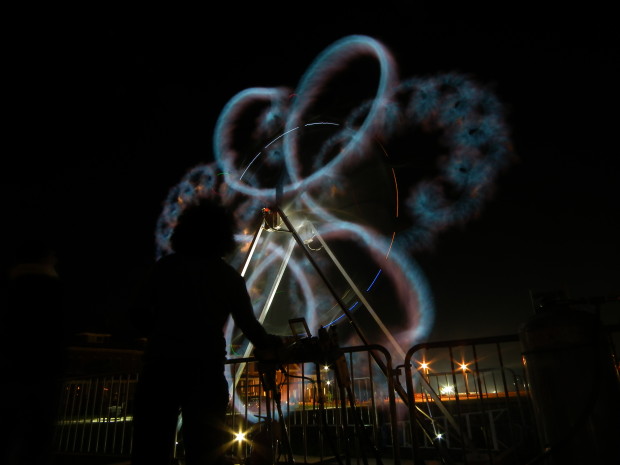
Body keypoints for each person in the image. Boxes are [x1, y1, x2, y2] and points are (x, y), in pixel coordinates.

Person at [130, 198, 282, 465]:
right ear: (222, 236)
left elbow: (139, 317)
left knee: (151, 447)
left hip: (160, 366)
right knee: (205, 450)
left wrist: (163, 332)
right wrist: (272, 344)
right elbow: (249, 326)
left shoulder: (165, 268)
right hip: (205, 370)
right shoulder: (227, 277)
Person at [0, 236, 68, 465]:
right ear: (46, 258)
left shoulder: (9, 287)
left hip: (10, 370)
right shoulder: (53, 290)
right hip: (43, 370)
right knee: (38, 434)